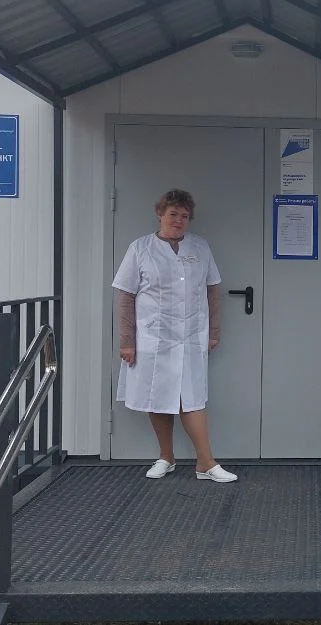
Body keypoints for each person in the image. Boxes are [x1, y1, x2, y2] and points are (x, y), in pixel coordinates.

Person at [112, 189, 237, 483]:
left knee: (191, 399)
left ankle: (205, 462)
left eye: (184, 215)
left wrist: (213, 332)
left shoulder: (200, 248)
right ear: (160, 214)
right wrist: (127, 341)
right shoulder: (140, 248)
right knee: (156, 397)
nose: (179, 220)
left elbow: (213, 290)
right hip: (152, 338)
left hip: (191, 336)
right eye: (173, 214)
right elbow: (126, 296)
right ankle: (166, 457)